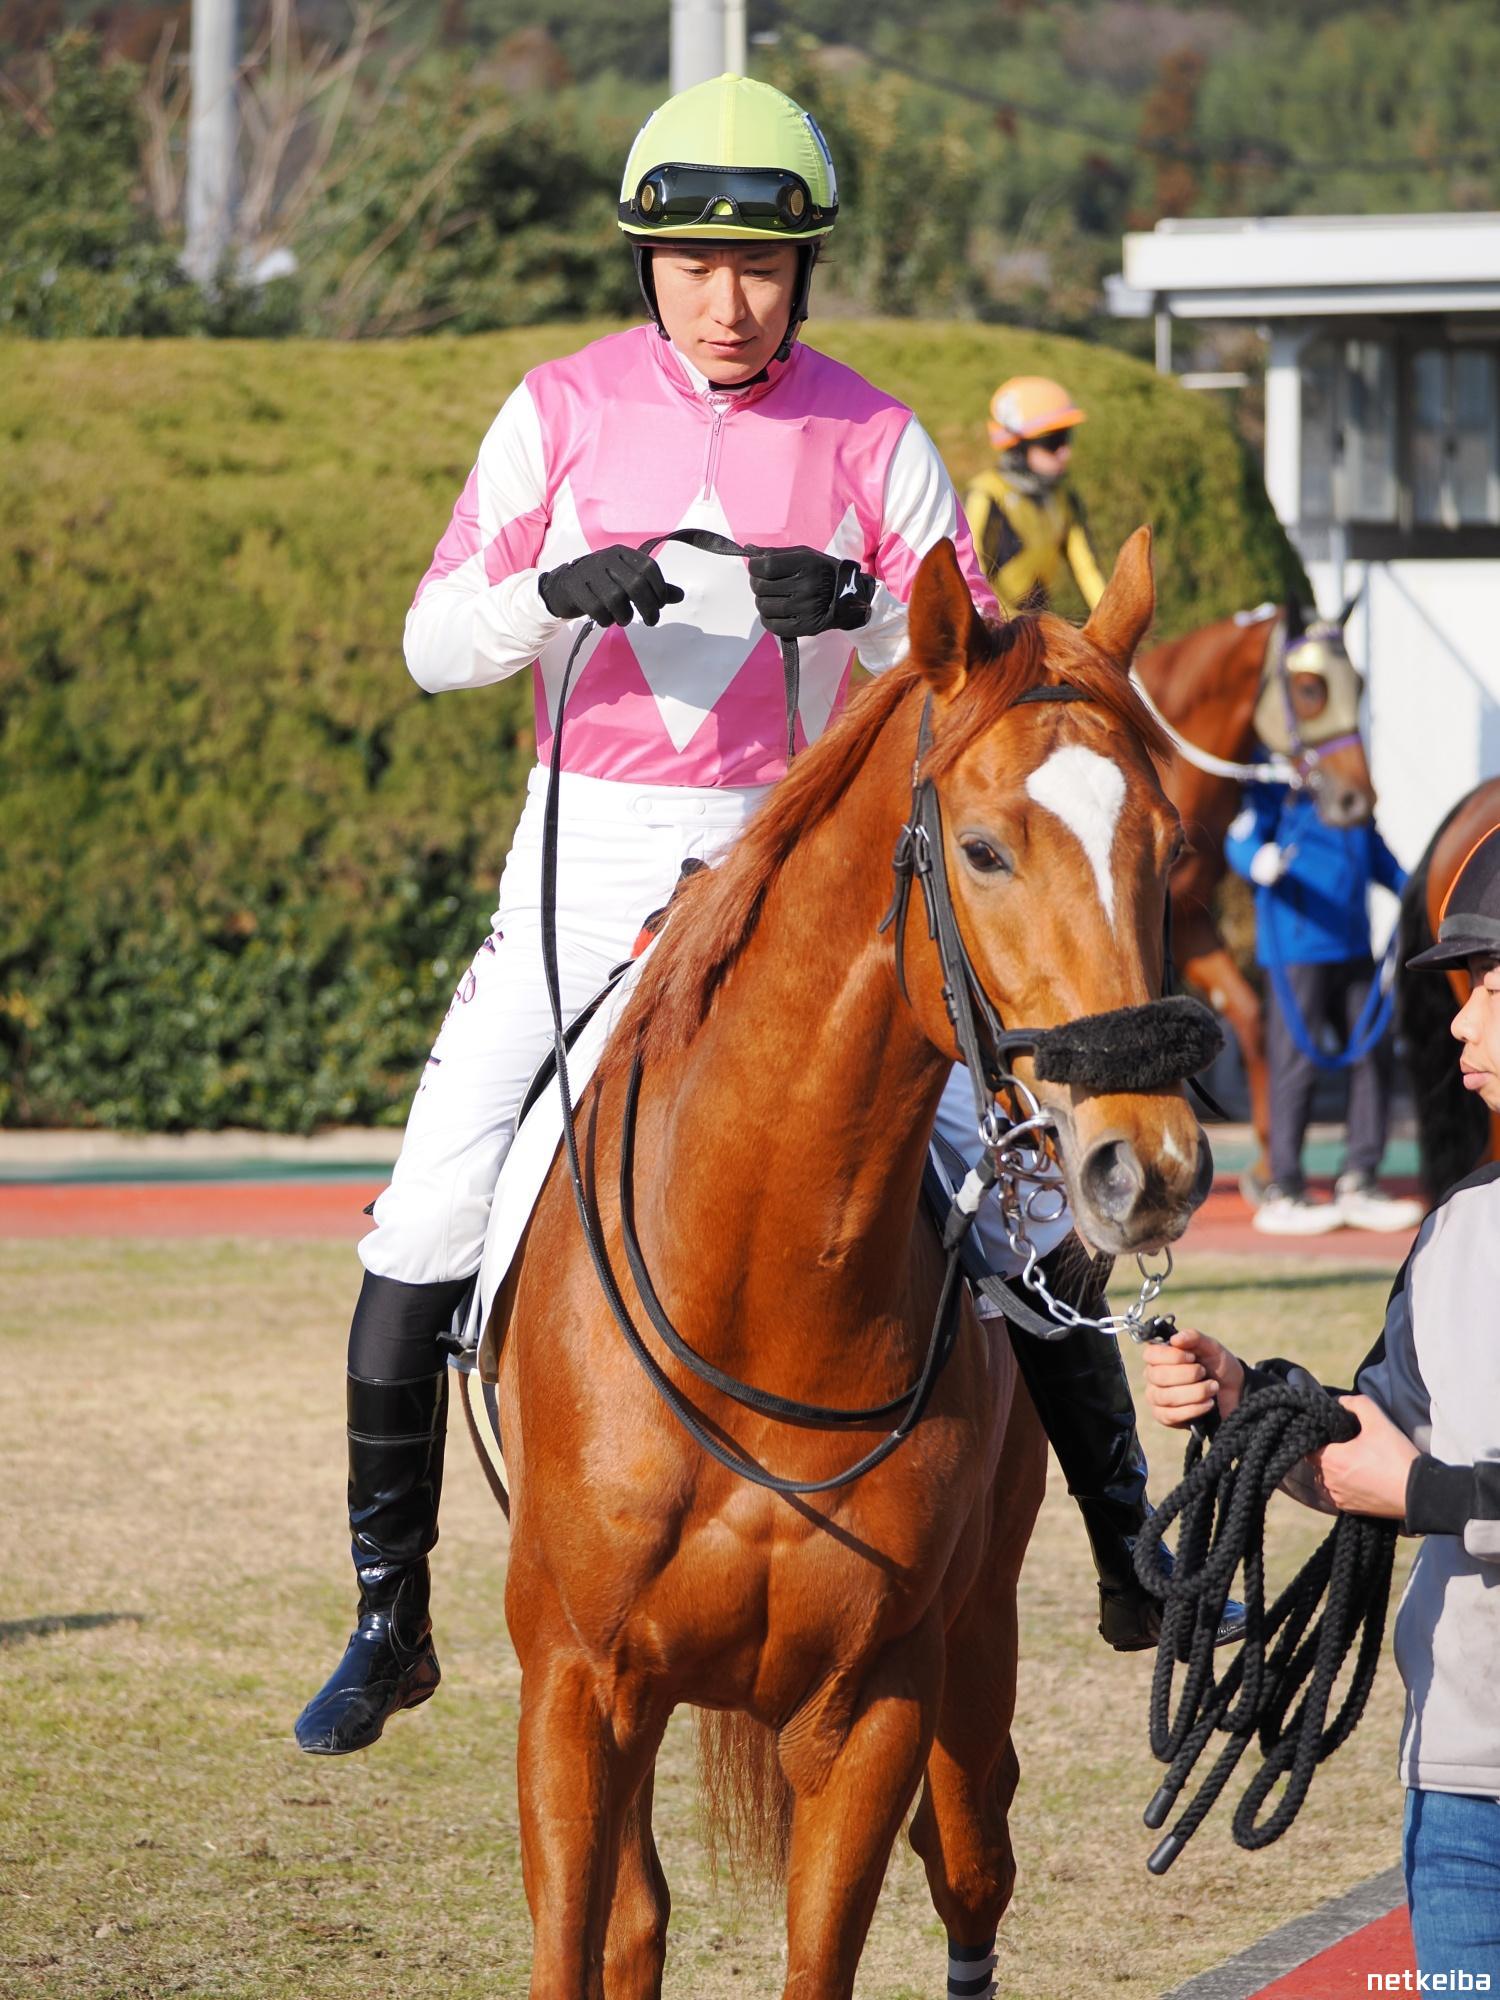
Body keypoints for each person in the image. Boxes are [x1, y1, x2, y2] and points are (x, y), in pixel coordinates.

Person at [293, 74, 1182, 1761]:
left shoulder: (877, 440)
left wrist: (863, 611)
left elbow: (987, 680)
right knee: (425, 1217)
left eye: (761, 267)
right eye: (695, 264)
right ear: (647, 264)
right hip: (592, 855)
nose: (728, 300)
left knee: (1008, 1204)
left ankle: (1129, 1545)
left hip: (803, 871)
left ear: (804, 271)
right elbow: (429, 641)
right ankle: (389, 1614)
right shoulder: (554, 411)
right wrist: (548, 594)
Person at [1143, 824, 1500, 1988]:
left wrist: (1427, 1494)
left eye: (1493, 990)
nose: (1460, 1025)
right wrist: (1250, 1404)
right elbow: (1379, 1436)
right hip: (1462, 1792)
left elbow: (1413, 1480)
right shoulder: (1460, 1228)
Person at [1225, 675, 1423, 1237]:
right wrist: (1255, 859)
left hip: (1353, 942)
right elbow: (1241, 833)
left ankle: (1360, 1176)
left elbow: (1373, 849)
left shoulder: (1345, 770)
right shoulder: (1272, 773)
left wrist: (1414, 891)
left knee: (1373, 1053)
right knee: (1296, 1066)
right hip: (1297, 948)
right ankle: (1284, 1185)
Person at [963, 376, 1107, 613]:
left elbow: (1088, 571)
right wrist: (1008, 623)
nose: (1065, 452)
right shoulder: (986, 494)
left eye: (1067, 438)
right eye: (1053, 442)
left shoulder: (1063, 498)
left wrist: (1114, 619)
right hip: (992, 625)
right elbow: (970, 571)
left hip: (1038, 624)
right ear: (1018, 446)